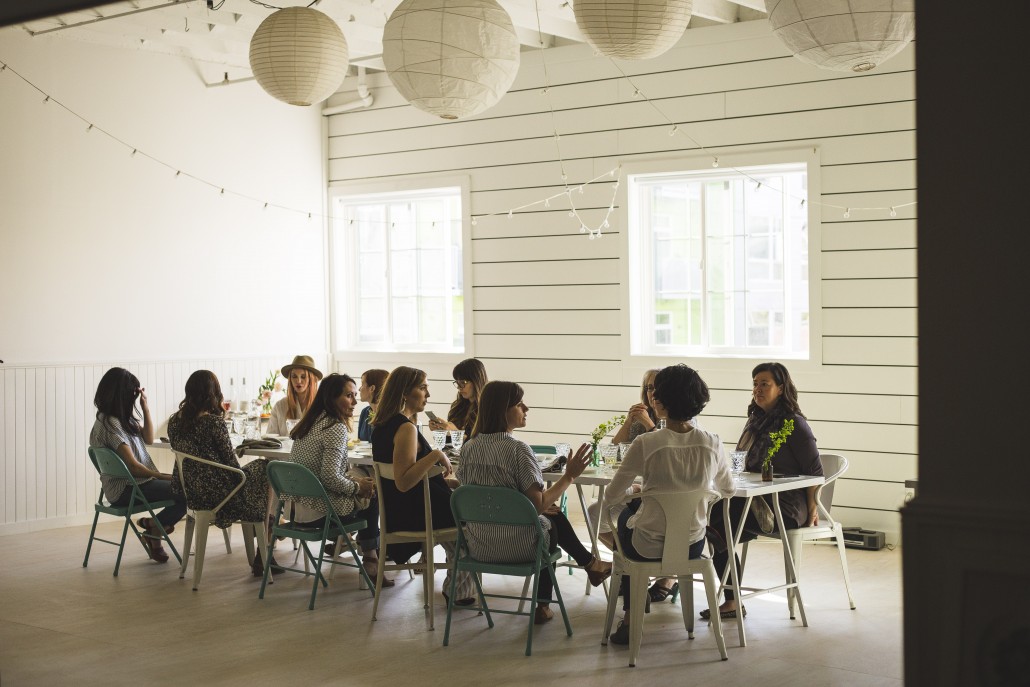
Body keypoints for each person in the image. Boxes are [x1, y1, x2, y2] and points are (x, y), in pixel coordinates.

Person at [456, 381, 612, 624]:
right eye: (519, 404)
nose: (526, 408)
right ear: (502, 410)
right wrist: (569, 476)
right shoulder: (518, 450)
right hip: (519, 548)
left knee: (549, 516)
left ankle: (591, 566)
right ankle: (544, 603)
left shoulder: (468, 449)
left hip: (478, 545)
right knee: (549, 522)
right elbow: (537, 505)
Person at [601, 364, 735, 645]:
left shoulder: (647, 443)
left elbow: (611, 496)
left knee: (627, 519)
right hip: (692, 545)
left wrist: (637, 492)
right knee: (633, 520)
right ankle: (660, 587)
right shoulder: (713, 443)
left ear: (659, 403)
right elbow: (727, 489)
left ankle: (630, 618)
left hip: (646, 545)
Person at [703, 362, 823, 620]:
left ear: (781, 388)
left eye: (764, 384)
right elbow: (743, 463)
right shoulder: (755, 420)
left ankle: (731, 597)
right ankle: (732, 597)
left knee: (719, 520)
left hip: (786, 508)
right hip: (753, 501)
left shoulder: (795, 424)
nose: (757, 389)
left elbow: (815, 473)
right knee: (716, 517)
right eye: (755, 384)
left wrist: (813, 510)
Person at [369, 366, 475, 604]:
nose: (428, 394)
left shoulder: (383, 425)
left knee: (460, 515)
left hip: (402, 511)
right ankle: (458, 590)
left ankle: (459, 589)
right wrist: (435, 454)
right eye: (423, 387)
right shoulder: (405, 428)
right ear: (405, 393)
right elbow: (404, 482)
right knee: (473, 528)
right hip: (416, 514)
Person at [167, 370, 279, 576]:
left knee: (257, 475)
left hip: (192, 494)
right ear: (213, 393)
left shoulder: (175, 421)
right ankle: (266, 535)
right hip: (221, 495)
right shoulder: (213, 423)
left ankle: (267, 528)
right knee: (265, 467)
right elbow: (231, 464)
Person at [285, 373, 388, 585]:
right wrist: (358, 488)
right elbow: (330, 478)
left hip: (294, 511)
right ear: (332, 398)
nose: (355, 401)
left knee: (363, 484)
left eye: (354, 394)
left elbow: (326, 476)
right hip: (320, 515)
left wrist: (356, 484)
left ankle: (353, 548)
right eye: (349, 396)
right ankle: (371, 559)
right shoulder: (334, 428)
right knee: (373, 491)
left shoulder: (309, 422)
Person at [89, 367, 187, 564]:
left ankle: (153, 530)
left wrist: (146, 408)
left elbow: (149, 438)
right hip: (128, 489)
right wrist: (165, 477)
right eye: (132, 394)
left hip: (131, 486)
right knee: (189, 489)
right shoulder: (112, 424)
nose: (133, 398)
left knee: (185, 488)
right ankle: (154, 528)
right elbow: (134, 468)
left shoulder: (115, 419)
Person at [428, 358, 488, 439]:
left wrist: (455, 433)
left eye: (463, 383)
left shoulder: (488, 410)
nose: (459, 387)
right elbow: (450, 443)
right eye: (457, 383)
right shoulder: (458, 407)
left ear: (476, 381)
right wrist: (441, 431)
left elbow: (484, 444)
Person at [266, 355, 321, 436]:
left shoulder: (321, 406)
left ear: (312, 379)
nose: (298, 381)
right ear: (290, 379)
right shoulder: (279, 406)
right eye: (294, 376)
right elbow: (271, 438)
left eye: (303, 377)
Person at [610, 368, 661, 445]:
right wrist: (628, 422)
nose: (654, 393)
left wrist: (648, 424)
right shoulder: (643, 415)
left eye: (659, 388)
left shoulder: (675, 420)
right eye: (650, 388)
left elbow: (664, 451)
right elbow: (614, 449)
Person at [356, 368, 389, 442]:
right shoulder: (365, 412)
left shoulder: (392, 416)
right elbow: (360, 442)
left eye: (362, 384)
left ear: (372, 388)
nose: (359, 389)